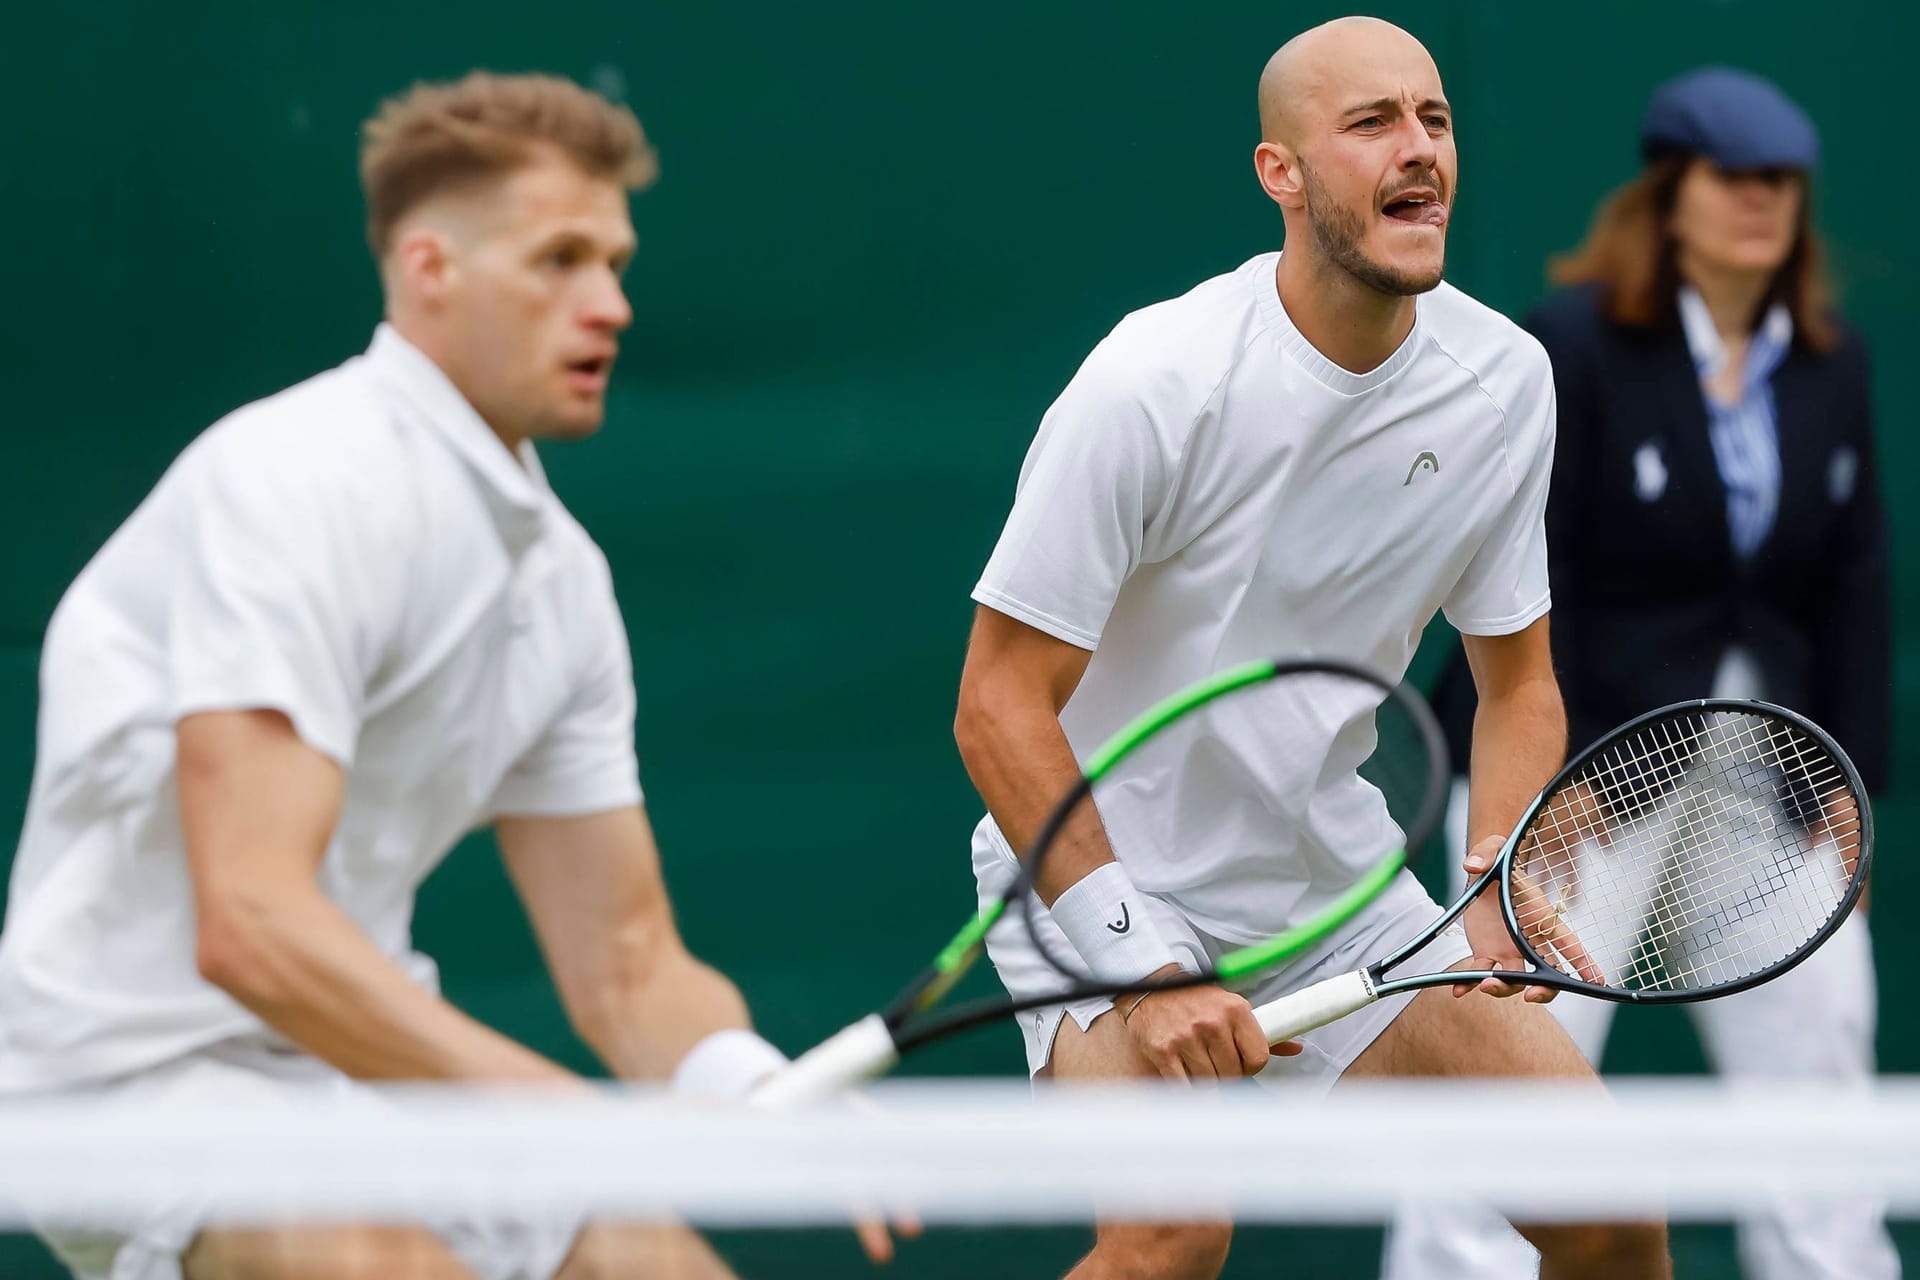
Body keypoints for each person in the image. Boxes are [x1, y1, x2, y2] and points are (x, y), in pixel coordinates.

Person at [0, 71, 887, 1280]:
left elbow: (627, 962)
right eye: (560, 260)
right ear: (429, 269)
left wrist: (741, 1077)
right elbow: (251, 925)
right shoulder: (297, 480)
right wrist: (558, 1119)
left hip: (349, 1070)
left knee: (658, 1263)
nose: (610, 305)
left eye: (617, 263)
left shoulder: (560, 582)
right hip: (121, 1083)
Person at [951, 16, 1670, 1280]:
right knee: (1170, 1238)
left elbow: (1517, 682)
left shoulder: (1507, 381)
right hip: (1102, 882)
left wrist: (1499, 877)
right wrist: (1141, 961)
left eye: (1436, 120)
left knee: (1610, 1214)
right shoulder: (1156, 381)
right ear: (1279, 173)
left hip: (1329, 891)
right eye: (1373, 124)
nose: (1420, 152)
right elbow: (999, 705)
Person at [1380, 67, 1897, 1280]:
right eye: (1733, 178)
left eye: (1782, 183)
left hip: (1767, 783)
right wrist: (1535, 783)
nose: (1762, 202)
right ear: (1672, 197)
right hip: (1574, 780)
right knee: (1508, 1098)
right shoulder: (1572, 347)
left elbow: (1855, 585)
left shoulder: (1834, 363)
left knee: (1819, 1084)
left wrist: (1849, 777)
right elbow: (1519, 577)